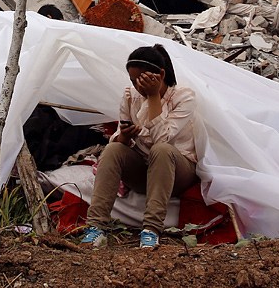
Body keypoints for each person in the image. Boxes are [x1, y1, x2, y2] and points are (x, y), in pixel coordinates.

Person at [81, 44, 199, 248]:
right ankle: (96, 227)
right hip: (143, 170)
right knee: (113, 149)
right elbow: (120, 132)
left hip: (177, 171)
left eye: (143, 80)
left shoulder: (183, 97)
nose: (138, 86)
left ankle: (151, 229)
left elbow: (163, 139)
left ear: (160, 74)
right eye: (133, 80)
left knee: (161, 150)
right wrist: (124, 138)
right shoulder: (130, 96)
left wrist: (154, 97)